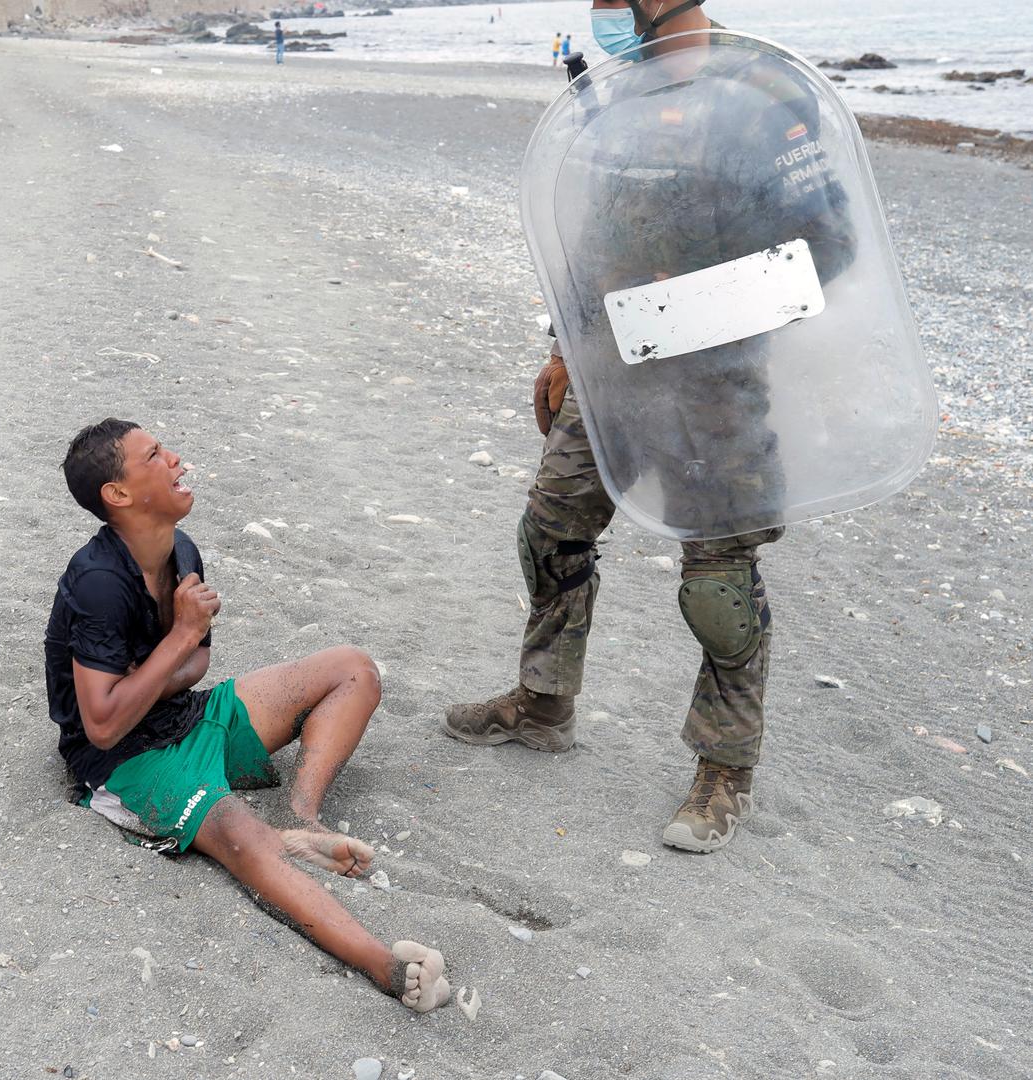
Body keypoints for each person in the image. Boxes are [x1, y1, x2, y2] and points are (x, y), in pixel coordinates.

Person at [445, 0, 856, 854]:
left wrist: (690, 296)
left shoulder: (761, 96)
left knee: (719, 582)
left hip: (715, 384)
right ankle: (544, 702)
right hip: (607, 372)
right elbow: (593, 239)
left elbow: (831, 249)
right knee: (550, 528)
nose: (597, 9)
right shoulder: (615, 93)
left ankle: (724, 772)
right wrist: (562, 350)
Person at [46, 419, 452, 1012]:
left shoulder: (181, 550)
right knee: (238, 834)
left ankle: (302, 816)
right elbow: (103, 723)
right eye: (155, 455)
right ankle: (382, 964)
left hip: (189, 717)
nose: (177, 459)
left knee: (352, 668)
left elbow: (196, 666)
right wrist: (181, 635)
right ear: (119, 494)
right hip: (122, 762)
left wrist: (175, 653)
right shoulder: (99, 583)